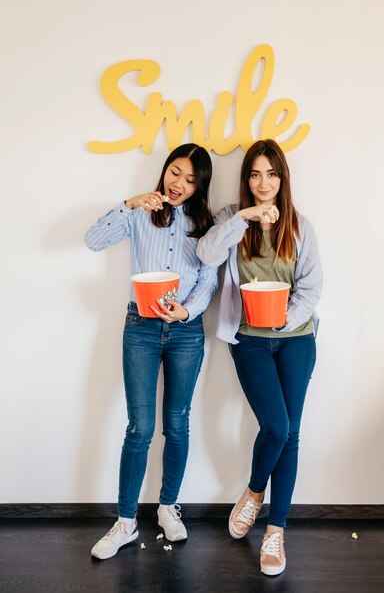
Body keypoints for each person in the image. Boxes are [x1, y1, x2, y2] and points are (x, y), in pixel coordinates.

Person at [85, 143, 218, 560]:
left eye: (191, 179)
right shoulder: (142, 212)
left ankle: (167, 507)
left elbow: (209, 281)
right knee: (139, 428)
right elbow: (93, 240)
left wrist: (187, 310)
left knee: (176, 424)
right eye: (175, 172)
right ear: (164, 171)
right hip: (140, 328)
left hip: (186, 331)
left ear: (200, 186)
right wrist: (128, 203)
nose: (180, 183)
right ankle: (125, 522)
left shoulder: (204, 224)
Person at [197, 139, 322, 577]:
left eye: (271, 173)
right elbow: (206, 254)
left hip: (295, 339)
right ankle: (253, 492)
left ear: (282, 178)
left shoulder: (300, 225)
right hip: (247, 339)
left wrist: (283, 320)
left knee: (291, 434)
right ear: (246, 179)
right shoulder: (232, 219)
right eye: (255, 174)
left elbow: (311, 289)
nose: (263, 182)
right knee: (277, 426)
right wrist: (246, 216)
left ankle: (276, 529)